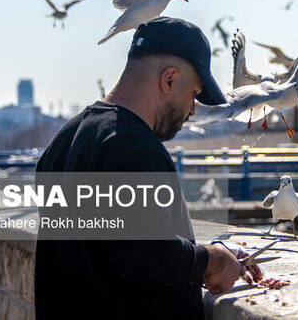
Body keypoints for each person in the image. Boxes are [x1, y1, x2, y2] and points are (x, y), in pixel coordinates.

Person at [34, 17, 259, 319]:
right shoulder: (134, 149)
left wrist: (206, 252)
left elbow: (115, 244)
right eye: (193, 94)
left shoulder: (64, 140)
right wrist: (211, 261)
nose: (193, 111)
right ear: (169, 80)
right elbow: (146, 255)